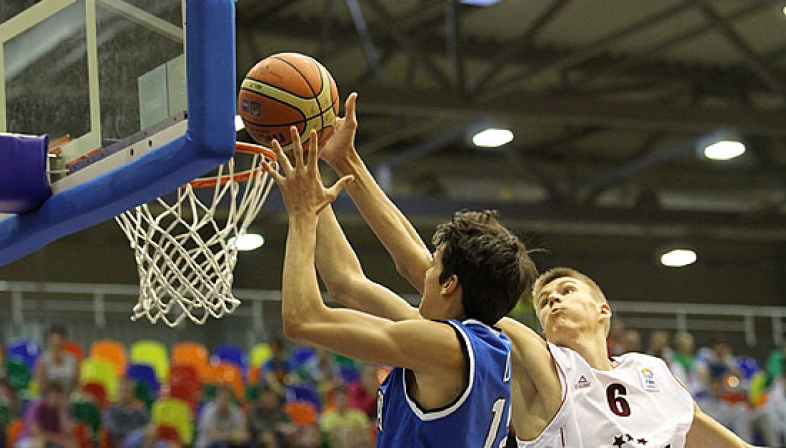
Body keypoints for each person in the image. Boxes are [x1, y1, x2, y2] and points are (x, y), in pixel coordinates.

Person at [312, 91, 766, 448]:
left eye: (566, 289)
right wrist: (347, 161)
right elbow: (426, 270)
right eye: (545, 296)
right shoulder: (540, 361)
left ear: (603, 308)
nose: (552, 297)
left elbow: (718, 439)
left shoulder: (654, 375)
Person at [261, 125, 536, 447]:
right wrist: (311, 186)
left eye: (433, 266)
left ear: (450, 285)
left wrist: (302, 216)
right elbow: (347, 282)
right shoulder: (477, 343)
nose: (424, 272)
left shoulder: (442, 346)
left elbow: (302, 320)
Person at [17, 381, 76, 448]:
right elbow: (37, 433)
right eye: (53, 397)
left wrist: (61, 413)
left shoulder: (65, 408)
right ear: (46, 397)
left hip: (53, 442)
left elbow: (69, 433)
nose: (54, 400)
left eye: (58, 397)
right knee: (40, 443)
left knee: (72, 444)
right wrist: (59, 440)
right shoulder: (37, 406)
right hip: (29, 440)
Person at [102, 379, 149, 447]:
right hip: (122, 441)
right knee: (149, 433)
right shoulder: (111, 410)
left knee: (163, 445)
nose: (128, 394)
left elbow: (147, 424)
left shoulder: (139, 410)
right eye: (125, 391)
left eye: (131, 391)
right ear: (119, 392)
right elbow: (113, 430)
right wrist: (135, 432)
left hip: (140, 438)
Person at [34, 325, 79, 396]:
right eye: (53, 340)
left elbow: (77, 383)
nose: (56, 343)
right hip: (48, 397)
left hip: (68, 396)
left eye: (59, 339)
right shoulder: (43, 360)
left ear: (64, 341)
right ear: (49, 341)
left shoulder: (72, 360)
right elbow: (41, 384)